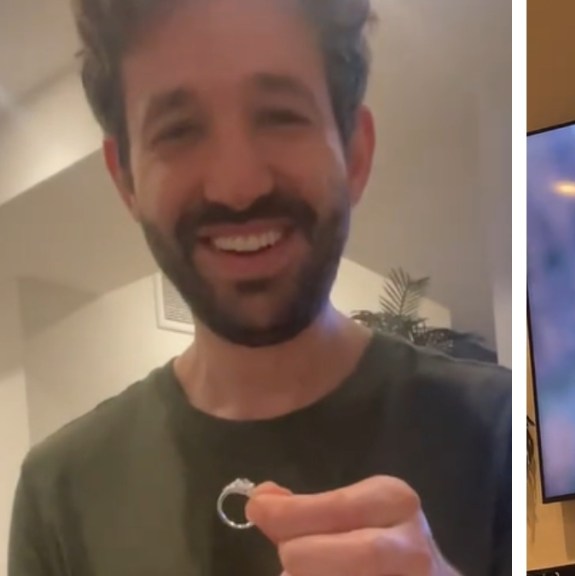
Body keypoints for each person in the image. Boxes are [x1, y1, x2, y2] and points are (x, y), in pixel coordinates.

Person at [7, 0, 511, 575]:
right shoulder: (60, 493)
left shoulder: (495, 434)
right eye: (179, 131)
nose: (237, 185)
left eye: (279, 116)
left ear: (356, 155)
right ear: (126, 181)